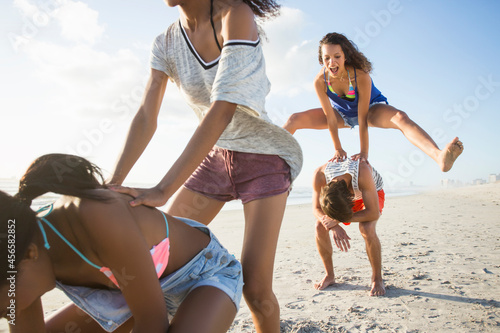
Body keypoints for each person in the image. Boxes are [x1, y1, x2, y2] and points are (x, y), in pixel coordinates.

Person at [108, 1, 302, 332]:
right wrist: (112, 184)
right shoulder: (165, 43)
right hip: (214, 159)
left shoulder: (234, 16)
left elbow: (222, 108)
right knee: (158, 261)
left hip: (264, 159)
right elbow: (145, 116)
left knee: (255, 289)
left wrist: (162, 189)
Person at [0, 153, 243, 333]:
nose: (4, 315)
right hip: (131, 296)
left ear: (29, 255)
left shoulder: (95, 216)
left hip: (203, 276)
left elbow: (152, 323)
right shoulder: (15, 261)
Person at [283, 32, 463, 171]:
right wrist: (338, 148)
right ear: (321, 59)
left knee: (400, 118)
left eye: (337, 56)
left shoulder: (360, 75)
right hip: (341, 114)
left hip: (370, 109)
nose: (331, 62)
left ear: (345, 56)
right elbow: (330, 116)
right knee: (294, 119)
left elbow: (362, 118)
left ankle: (439, 156)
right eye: (326, 58)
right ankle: (265, 157)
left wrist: (364, 152)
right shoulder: (320, 81)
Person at [312, 157, 386, 296]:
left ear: (350, 195)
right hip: (340, 197)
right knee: (319, 226)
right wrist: (333, 225)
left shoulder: (362, 172)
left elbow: (373, 213)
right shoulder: (319, 175)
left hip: (372, 192)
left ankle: (377, 278)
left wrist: (339, 219)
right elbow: (316, 208)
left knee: (367, 228)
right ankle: (330, 276)